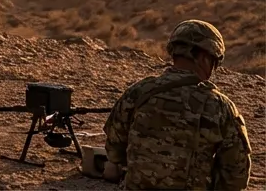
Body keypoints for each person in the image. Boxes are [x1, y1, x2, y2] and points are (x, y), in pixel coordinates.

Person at [102, 20, 251, 190]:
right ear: (203, 58)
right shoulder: (220, 107)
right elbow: (236, 177)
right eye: (213, 61)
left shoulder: (139, 92)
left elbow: (114, 148)